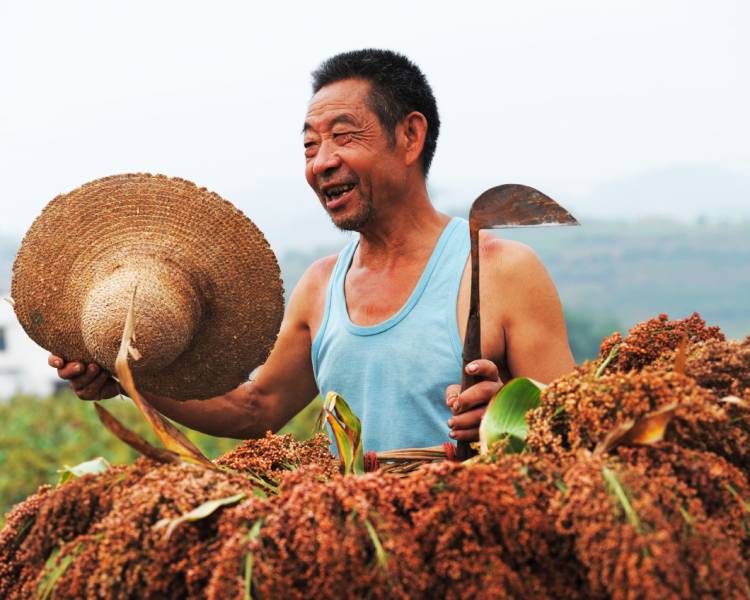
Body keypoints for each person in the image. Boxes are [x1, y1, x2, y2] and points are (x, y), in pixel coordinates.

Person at [50, 49, 574, 451]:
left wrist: (511, 418)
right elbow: (257, 408)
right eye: (309, 145)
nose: (321, 162)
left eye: (343, 137)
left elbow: (576, 428)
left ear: (411, 137)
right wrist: (126, 379)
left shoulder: (501, 271)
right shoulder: (322, 286)